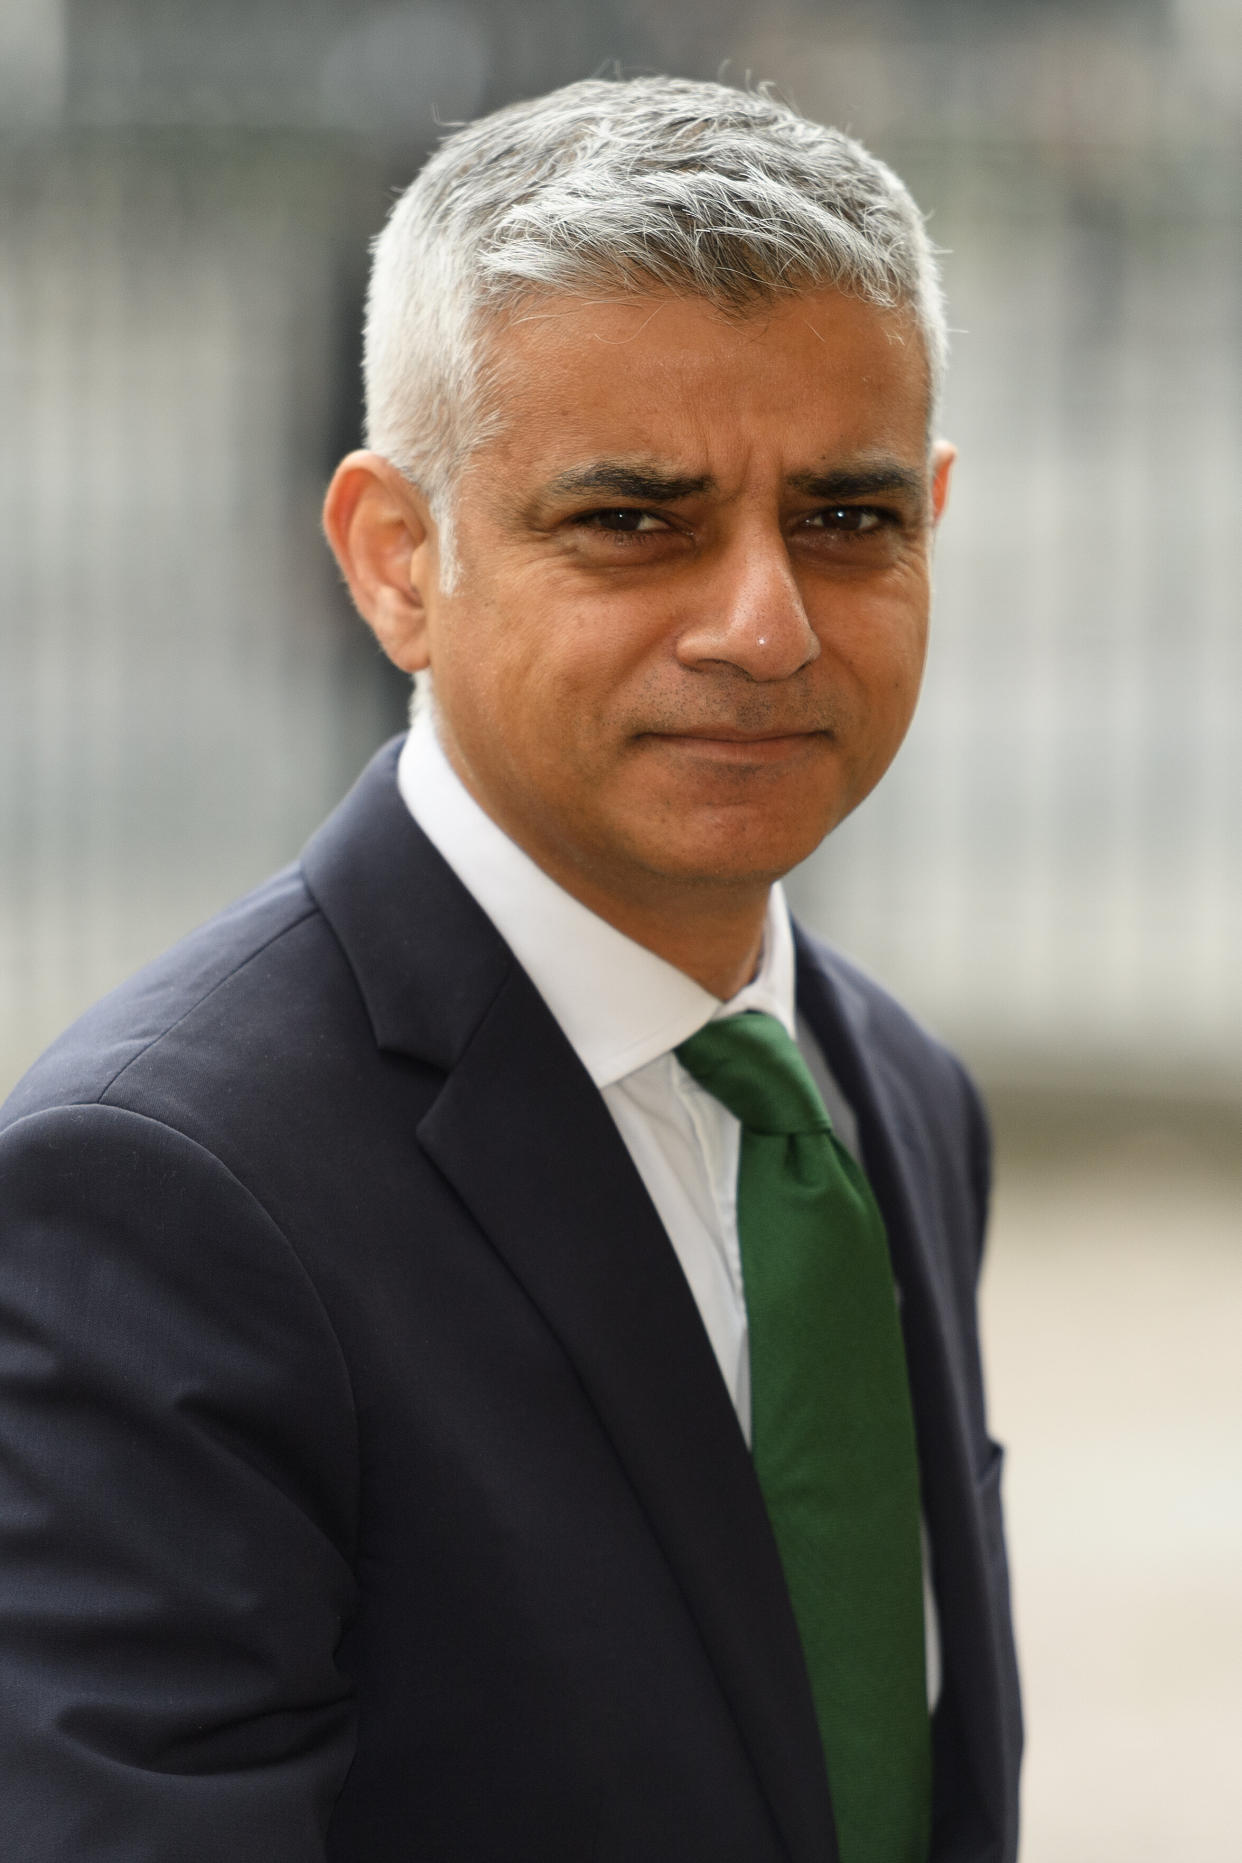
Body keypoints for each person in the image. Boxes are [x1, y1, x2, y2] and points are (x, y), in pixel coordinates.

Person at [0, 76, 1020, 1862]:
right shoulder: (154, 1192)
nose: (764, 623)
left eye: (849, 520)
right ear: (398, 560)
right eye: (636, 522)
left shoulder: (892, 1095)